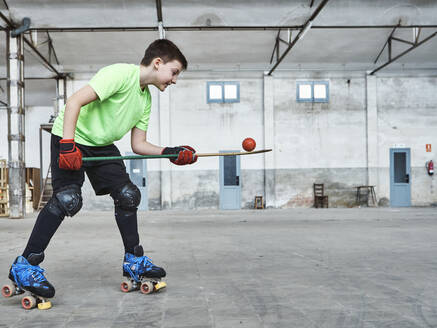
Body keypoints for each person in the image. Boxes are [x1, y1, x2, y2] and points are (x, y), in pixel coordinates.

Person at [5, 39, 197, 299]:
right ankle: (25, 266)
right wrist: (68, 145)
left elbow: (138, 144)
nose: (174, 80)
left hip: (101, 145)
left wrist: (170, 153)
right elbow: (73, 102)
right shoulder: (119, 74)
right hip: (70, 136)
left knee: (128, 194)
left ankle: (134, 260)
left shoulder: (145, 98)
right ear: (158, 63)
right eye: (174, 72)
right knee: (67, 199)